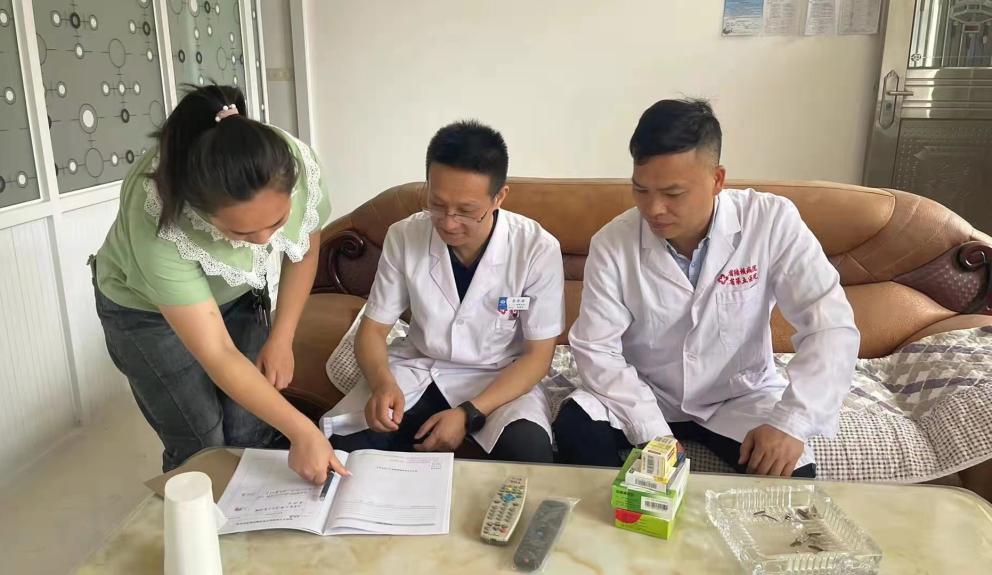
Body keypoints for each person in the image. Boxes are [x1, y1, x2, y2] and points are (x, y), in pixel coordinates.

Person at [553, 99, 860, 477]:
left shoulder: (770, 221)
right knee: (576, 428)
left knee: (789, 475)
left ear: (717, 180)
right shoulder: (613, 243)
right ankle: (613, 517)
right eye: (641, 190)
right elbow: (596, 348)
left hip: (740, 396)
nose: (654, 209)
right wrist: (651, 432)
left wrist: (792, 423)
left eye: (673, 193)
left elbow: (829, 325)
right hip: (647, 393)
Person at [93, 84, 346, 483]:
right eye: (241, 233)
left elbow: (302, 251)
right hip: (145, 312)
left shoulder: (293, 165)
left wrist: (282, 338)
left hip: (238, 293)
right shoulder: (157, 213)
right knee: (201, 442)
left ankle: (257, 515)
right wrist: (302, 430)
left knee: (249, 428)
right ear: (199, 211)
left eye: (276, 223)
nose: (263, 242)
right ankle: (204, 517)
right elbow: (218, 353)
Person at [322, 121, 564, 463]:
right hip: (421, 369)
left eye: (466, 211)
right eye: (437, 204)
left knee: (530, 455)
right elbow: (372, 330)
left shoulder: (536, 248)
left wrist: (469, 413)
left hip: (499, 378)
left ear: (499, 197)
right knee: (345, 450)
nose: (448, 223)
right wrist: (382, 384)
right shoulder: (404, 236)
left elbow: (538, 357)